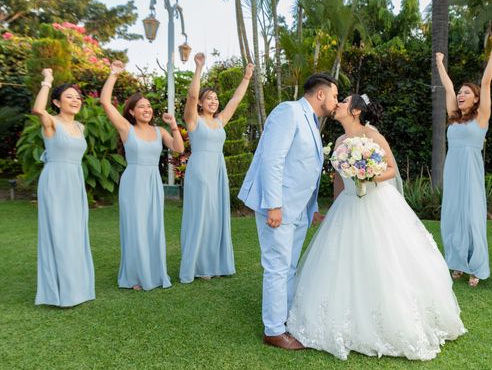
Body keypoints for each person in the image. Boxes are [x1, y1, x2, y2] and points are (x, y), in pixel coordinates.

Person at [287, 94, 466, 360]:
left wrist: (368, 176)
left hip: (376, 203)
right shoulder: (338, 141)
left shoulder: (372, 135)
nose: (338, 104)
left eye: (344, 101)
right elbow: (338, 178)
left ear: (356, 111)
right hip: (347, 206)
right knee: (341, 263)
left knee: (383, 259)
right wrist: (335, 206)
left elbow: (391, 168)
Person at [238, 73, 339, 350]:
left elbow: (306, 169)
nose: (336, 102)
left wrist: (313, 207)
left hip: (298, 210)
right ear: (321, 95)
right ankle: (273, 330)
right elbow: (273, 158)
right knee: (277, 266)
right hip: (279, 207)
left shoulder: (313, 122)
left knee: (289, 267)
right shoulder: (289, 112)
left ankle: (286, 320)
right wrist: (274, 204)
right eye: (334, 96)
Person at [100, 61, 184, 291]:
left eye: (149, 106)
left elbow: (178, 148)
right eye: (141, 107)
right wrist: (114, 74)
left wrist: (174, 124)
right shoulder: (127, 129)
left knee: (153, 226)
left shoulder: (160, 131)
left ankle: (155, 273)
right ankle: (136, 276)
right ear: (131, 111)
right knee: (136, 227)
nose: (147, 110)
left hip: (153, 183)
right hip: (133, 182)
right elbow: (105, 102)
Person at [179, 53, 254, 283]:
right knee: (200, 216)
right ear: (201, 103)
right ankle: (198, 265)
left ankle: (215, 263)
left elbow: (235, 100)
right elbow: (191, 96)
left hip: (218, 171)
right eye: (208, 98)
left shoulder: (220, 120)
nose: (214, 101)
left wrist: (247, 78)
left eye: (215, 98)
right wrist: (199, 68)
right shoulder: (194, 120)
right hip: (200, 170)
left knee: (216, 217)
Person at [436, 39, 492, 287]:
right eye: (460, 93)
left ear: (476, 100)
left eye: (467, 93)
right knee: (453, 217)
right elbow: (447, 87)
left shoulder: (482, 117)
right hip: (453, 171)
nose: (461, 95)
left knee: (473, 217)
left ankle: (476, 267)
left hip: (472, 172)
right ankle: (457, 263)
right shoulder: (454, 117)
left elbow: (485, 83)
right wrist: (440, 64)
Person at [32, 69, 95, 307]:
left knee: (75, 233)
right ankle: (58, 291)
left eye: (77, 97)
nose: (75, 100)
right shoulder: (51, 123)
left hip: (75, 182)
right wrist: (47, 81)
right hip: (55, 182)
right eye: (69, 97)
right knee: (58, 232)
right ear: (57, 102)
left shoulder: (80, 127)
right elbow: (38, 109)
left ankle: (78, 287)